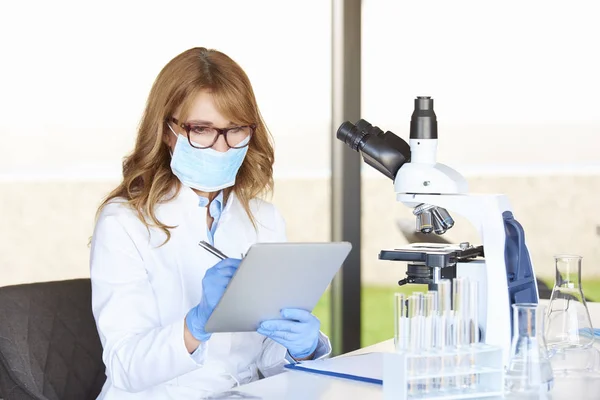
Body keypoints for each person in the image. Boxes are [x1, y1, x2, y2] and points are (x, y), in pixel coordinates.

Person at [90, 47, 331, 399]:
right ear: (167, 130)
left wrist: (302, 348)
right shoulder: (124, 222)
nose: (221, 147)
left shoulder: (264, 221)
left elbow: (267, 358)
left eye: (234, 130)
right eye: (202, 129)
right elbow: (125, 366)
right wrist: (196, 324)